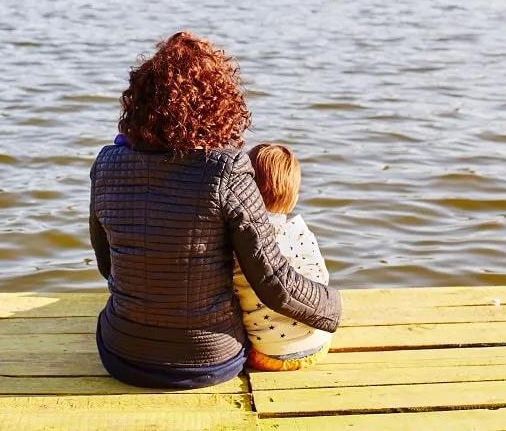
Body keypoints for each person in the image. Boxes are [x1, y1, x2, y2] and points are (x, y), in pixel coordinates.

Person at [89, 31, 341, 389]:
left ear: (139, 102)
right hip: (209, 361)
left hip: (120, 355)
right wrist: (333, 307)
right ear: (219, 103)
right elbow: (274, 284)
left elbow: (107, 265)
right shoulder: (228, 169)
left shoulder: (106, 164)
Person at [234, 143, 332, 371]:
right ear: (295, 200)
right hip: (316, 346)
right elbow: (322, 279)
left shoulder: (240, 244)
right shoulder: (302, 235)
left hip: (265, 355)